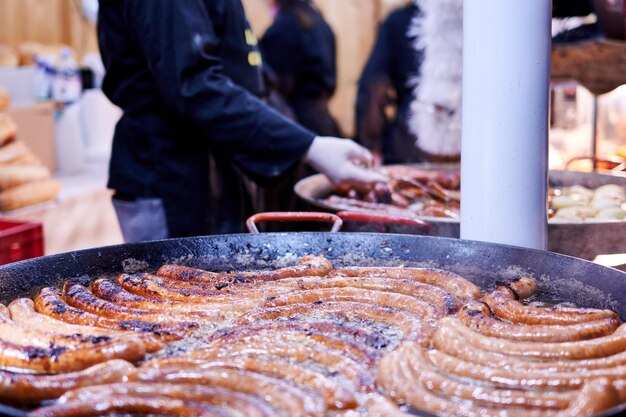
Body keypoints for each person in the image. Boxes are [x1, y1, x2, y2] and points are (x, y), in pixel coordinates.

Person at [97, 1, 382, 242]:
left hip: (212, 171)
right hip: (170, 175)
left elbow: (247, 75)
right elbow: (193, 86)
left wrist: (306, 145)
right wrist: (309, 147)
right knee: (177, 298)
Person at [355, 2, 424, 165]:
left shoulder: (400, 21)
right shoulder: (478, 22)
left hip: (409, 140)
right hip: (471, 140)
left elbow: (373, 88)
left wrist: (370, 145)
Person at [260, 0, 341, 137]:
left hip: (295, 123)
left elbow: (279, 86)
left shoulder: (283, 28)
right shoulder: (324, 26)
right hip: (324, 124)